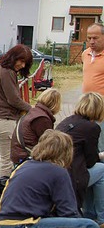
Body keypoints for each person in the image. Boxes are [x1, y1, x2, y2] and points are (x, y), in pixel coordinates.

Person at [0, 130, 100, 228]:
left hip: (2, 222)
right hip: (24, 223)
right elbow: (68, 212)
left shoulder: (24, 165)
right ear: (66, 152)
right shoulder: (58, 171)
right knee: (88, 225)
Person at [57, 92, 104, 225]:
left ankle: (89, 213)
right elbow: (90, 161)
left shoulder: (67, 120)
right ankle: (102, 218)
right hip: (71, 177)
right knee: (102, 169)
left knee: (94, 171)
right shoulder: (91, 127)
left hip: (59, 171)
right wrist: (100, 155)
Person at [0, 44, 33, 179]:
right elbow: (13, 99)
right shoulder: (6, 72)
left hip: (0, 118)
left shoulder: (2, 69)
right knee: (6, 161)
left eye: (26, 62)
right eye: (21, 61)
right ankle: (1, 191)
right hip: (4, 119)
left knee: (5, 159)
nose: (23, 65)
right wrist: (32, 109)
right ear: (13, 57)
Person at [10, 88, 62, 165]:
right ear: (56, 104)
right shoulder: (42, 119)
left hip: (19, 153)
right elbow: (48, 144)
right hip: (27, 157)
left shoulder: (35, 111)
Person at [82, 22, 104, 151]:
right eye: (89, 38)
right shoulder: (85, 54)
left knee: (100, 141)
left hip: (101, 108)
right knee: (86, 137)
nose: (91, 41)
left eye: (95, 38)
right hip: (86, 106)